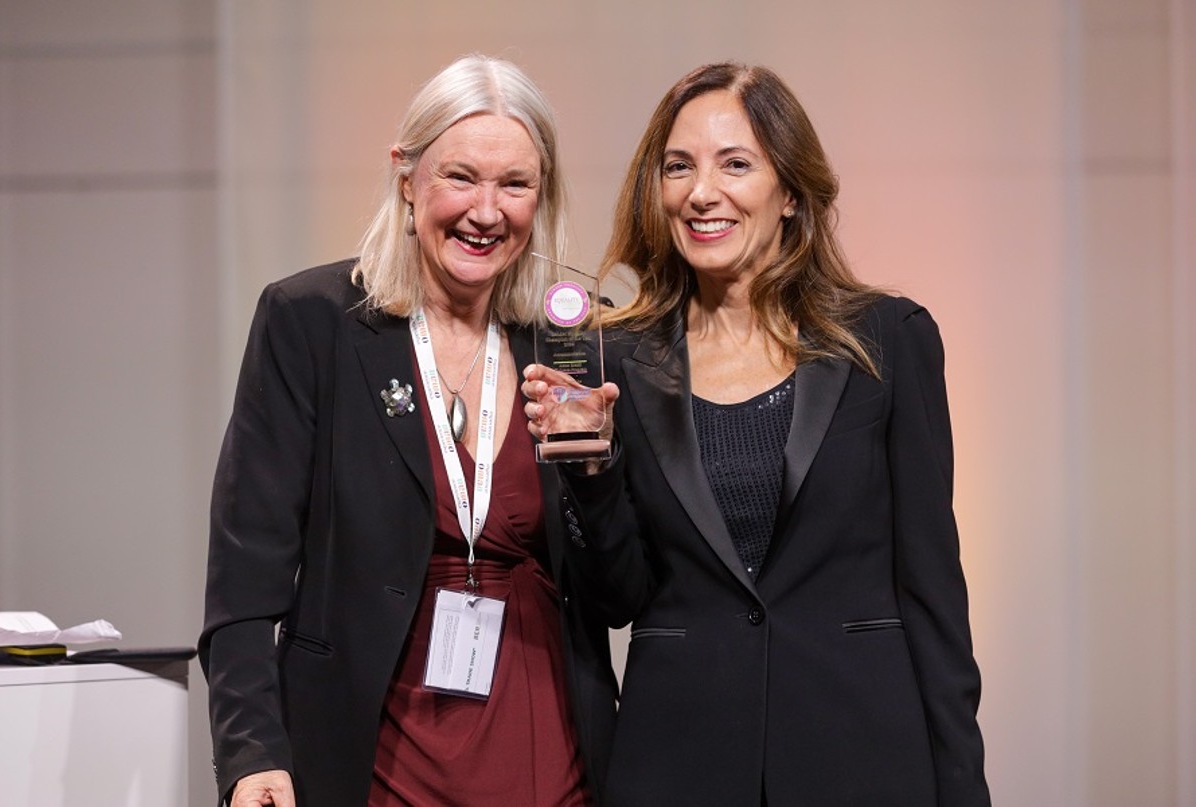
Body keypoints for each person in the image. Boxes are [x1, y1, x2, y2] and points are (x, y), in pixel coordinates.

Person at [524, 62, 991, 805]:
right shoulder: (618, 363)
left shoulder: (889, 340)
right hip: (678, 760)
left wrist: (964, 786)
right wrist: (591, 470)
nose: (701, 192)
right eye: (678, 167)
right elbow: (619, 598)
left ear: (792, 195)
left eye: (735, 164)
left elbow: (933, 593)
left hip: (862, 757)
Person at [199, 54, 618, 807]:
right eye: (460, 176)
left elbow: (618, 590)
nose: (486, 212)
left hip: (544, 742)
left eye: (515, 184)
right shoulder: (312, 322)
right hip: (372, 747)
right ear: (406, 175)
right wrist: (250, 749)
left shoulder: (568, 340)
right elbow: (244, 572)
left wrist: (598, 476)